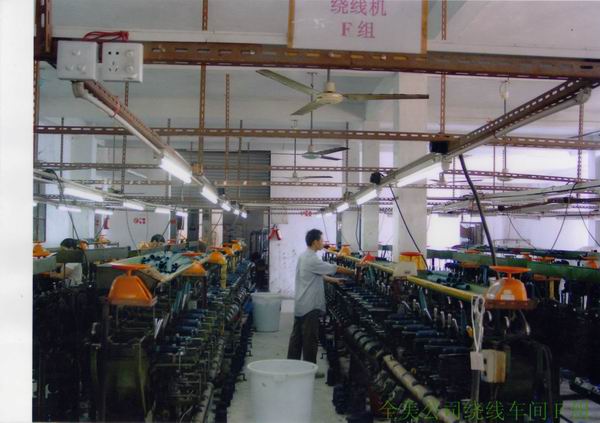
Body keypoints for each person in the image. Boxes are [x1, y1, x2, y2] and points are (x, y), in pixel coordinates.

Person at [287, 229, 355, 375]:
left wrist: (333, 280)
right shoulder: (312, 259)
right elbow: (334, 268)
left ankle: (291, 367)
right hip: (310, 305)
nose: (323, 243)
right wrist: (355, 271)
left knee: (296, 338)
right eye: (321, 240)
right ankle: (310, 371)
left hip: (301, 303)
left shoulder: (303, 256)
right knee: (310, 339)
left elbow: (318, 274)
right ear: (315, 242)